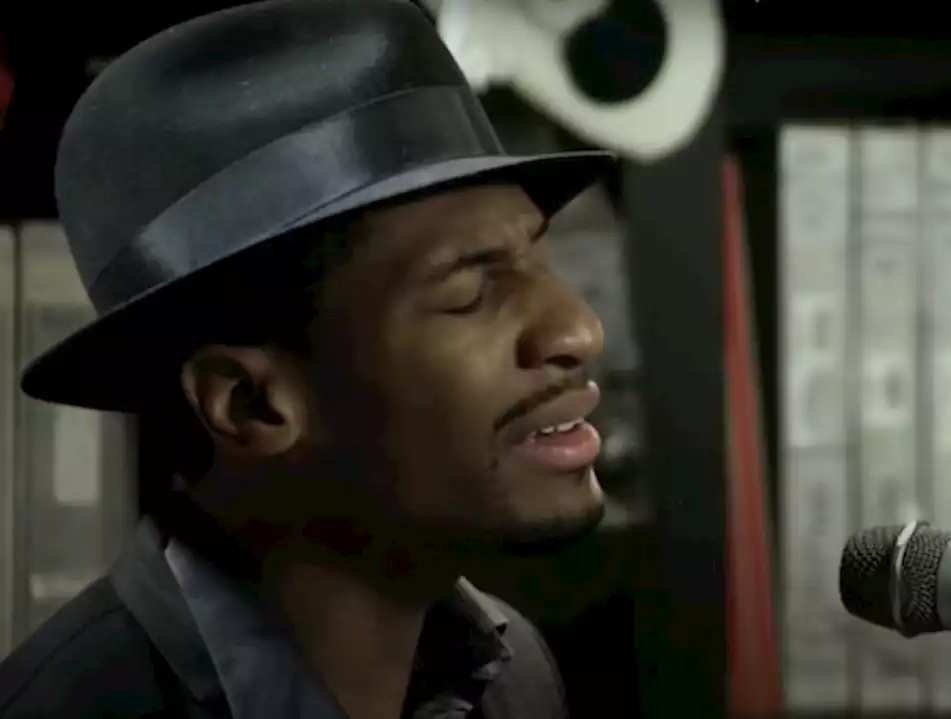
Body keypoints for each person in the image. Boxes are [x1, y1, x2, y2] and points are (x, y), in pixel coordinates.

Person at [0, 0, 615, 717]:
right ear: (251, 402)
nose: (578, 329)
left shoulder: (515, 679)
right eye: (470, 287)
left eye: (538, 256)